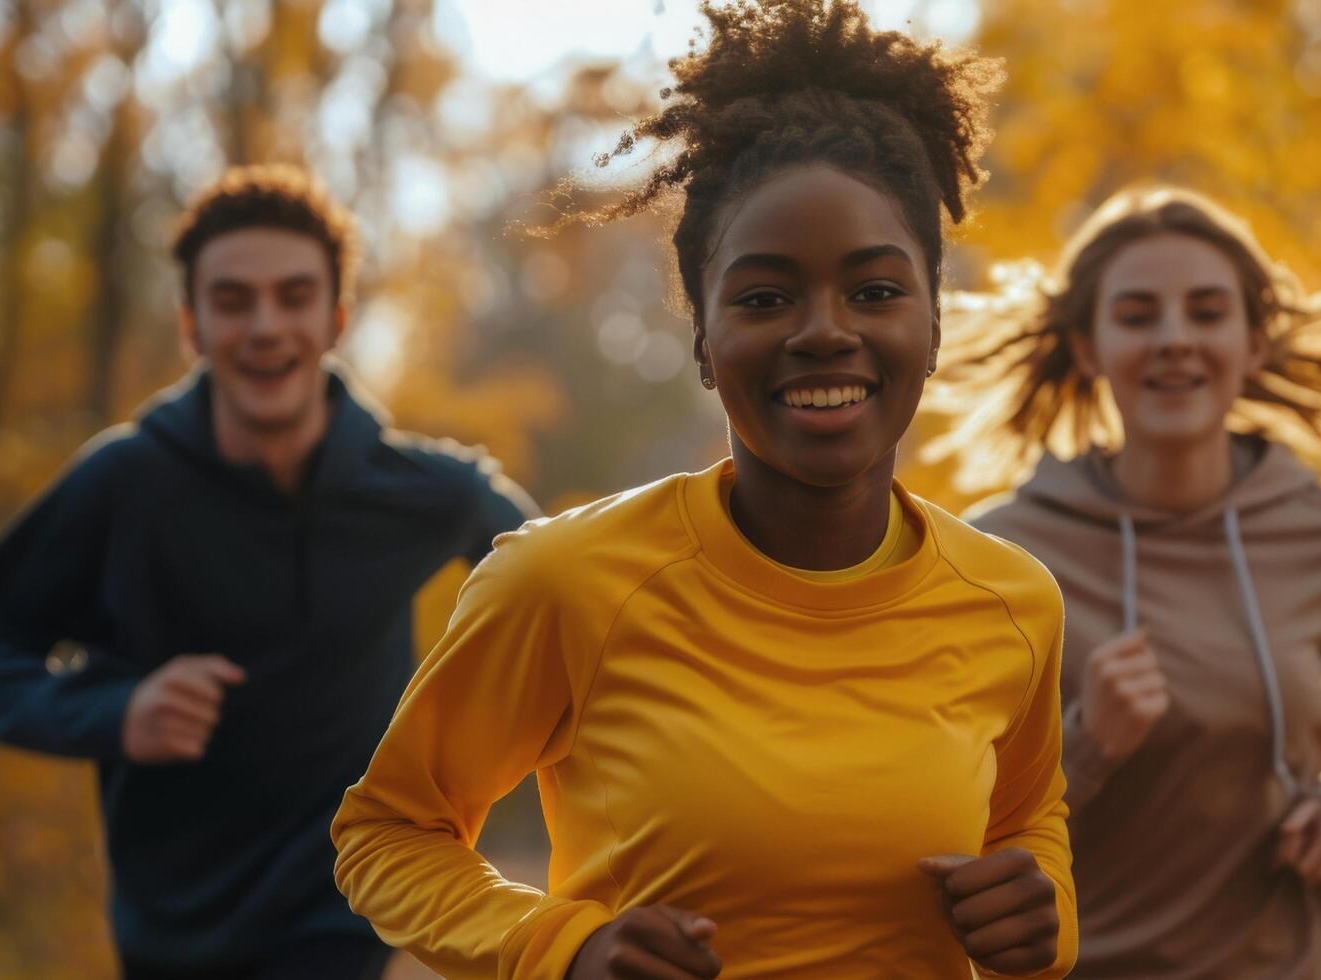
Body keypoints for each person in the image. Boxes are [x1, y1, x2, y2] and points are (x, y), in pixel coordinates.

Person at [330, 2, 1077, 978]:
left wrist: (1045, 902)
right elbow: (387, 830)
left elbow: (1028, 818)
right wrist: (563, 947)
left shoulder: (1013, 602)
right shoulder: (565, 580)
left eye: (876, 290)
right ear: (705, 344)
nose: (824, 330)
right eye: (765, 296)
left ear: (933, 324)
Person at [0, 164, 535, 980]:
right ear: (191, 323)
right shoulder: (123, 482)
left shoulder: (424, 491)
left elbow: (561, 578)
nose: (264, 325)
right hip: (172, 934)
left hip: (343, 924)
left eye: (293, 297)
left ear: (335, 318)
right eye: (232, 300)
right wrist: (116, 710)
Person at [939, 185, 1321, 978]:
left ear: (1253, 340)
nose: (1174, 339)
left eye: (1206, 312)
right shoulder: (1003, 552)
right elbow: (950, 810)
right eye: (1138, 316)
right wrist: (1087, 742)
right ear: (1088, 346)